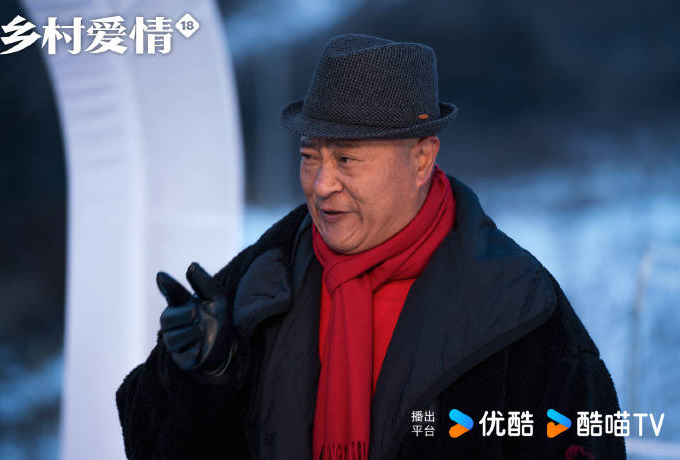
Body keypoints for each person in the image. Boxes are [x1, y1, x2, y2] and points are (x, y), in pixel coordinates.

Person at [115, 34, 626, 459]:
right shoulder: (261, 281)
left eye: (347, 159)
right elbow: (147, 443)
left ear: (421, 159)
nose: (322, 185)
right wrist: (203, 379)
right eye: (310, 156)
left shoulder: (517, 305)